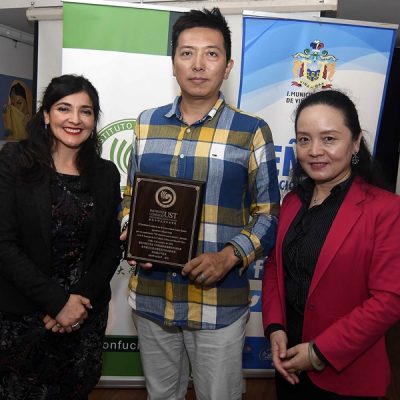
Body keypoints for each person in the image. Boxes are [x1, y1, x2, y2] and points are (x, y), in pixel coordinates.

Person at [120, 8, 280, 400]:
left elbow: (268, 214)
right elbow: (130, 197)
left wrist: (229, 256)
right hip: (153, 296)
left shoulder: (251, 131)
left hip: (217, 302)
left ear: (227, 66)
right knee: (162, 395)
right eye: (187, 53)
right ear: (173, 62)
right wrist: (130, 231)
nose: (198, 65)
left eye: (211, 54)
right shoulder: (145, 123)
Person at [262, 90, 400, 399]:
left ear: (354, 143)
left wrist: (319, 352)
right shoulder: (292, 202)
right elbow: (274, 267)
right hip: (289, 363)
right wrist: (275, 327)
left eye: (329, 139)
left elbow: (389, 300)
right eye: (304, 139)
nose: (314, 151)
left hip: (347, 374)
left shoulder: (386, 210)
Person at [0, 74, 122, 399]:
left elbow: (111, 246)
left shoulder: (106, 173)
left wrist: (77, 301)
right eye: (64, 108)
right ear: (45, 114)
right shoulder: (13, 161)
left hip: (84, 317)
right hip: (23, 319)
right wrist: (57, 302)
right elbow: (4, 244)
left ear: (94, 120)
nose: (75, 119)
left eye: (86, 111)